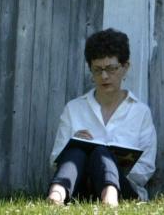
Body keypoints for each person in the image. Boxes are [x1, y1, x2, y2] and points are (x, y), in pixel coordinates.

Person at [47, 29, 156, 206]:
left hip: (123, 189)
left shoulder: (140, 112)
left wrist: (110, 167)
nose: (104, 76)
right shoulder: (73, 109)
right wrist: (73, 145)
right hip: (80, 189)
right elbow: (55, 160)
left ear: (125, 67)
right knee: (76, 150)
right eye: (97, 70)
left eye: (111, 69)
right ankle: (55, 197)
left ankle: (110, 198)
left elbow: (146, 167)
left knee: (100, 153)